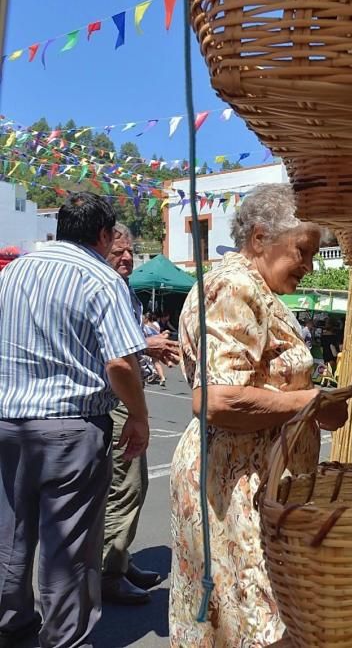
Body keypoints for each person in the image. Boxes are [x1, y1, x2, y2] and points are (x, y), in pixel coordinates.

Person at [169, 184, 348, 645]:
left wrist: (312, 405)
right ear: (260, 238)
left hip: (255, 475)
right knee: (254, 620)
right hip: (234, 480)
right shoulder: (233, 285)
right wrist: (309, 403)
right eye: (303, 252)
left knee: (252, 617)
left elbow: (266, 383)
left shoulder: (256, 289)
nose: (309, 266)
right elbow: (217, 400)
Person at [0, 192, 150, 648]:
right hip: (70, 427)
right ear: (103, 235)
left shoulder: (15, 270)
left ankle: (12, 627)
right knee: (68, 550)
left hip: (9, 421)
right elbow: (121, 364)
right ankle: (64, 639)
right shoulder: (100, 279)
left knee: (10, 535)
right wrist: (140, 416)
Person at [101, 225, 182, 606]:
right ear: (102, 249)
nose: (128, 258)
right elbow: (112, 352)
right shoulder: (104, 286)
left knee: (131, 483)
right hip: (116, 399)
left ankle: (120, 559)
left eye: (131, 252)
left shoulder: (123, 290)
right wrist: (144, 344)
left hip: (123, 398)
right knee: (126, 485)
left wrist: (147, 348)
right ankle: (110, 572)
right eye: (119, 251)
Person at [142, 312, 168, 385]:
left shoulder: (145, 327)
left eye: (143, 318)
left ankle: (153, 372)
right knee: (156, 362)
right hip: (157, 344)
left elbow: (146, 336)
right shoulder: (155, 325)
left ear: (146, 319)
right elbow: (159, 333)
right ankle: (162, 377)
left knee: (144, 360)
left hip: (150, 345)